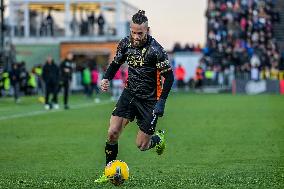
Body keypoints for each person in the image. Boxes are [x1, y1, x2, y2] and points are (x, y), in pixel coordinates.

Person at [95, 10, 174, 183]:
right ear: (130, 29)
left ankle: (158, 139)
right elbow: (116, 63)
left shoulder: (156, 50)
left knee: (142, 145)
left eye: (140, 33)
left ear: (147, 30)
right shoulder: (125, 43)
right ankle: (109, 170)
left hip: (150, 100)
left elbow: (169, 77)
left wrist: (161, 102)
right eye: (133, 32)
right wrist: (106, 78)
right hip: (130, 93)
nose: (136, 37)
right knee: (112, 132)